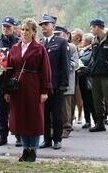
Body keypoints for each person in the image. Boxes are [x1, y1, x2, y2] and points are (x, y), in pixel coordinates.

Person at [4, 18, 51, 162]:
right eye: (23, 29)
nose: (24, 32)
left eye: (27, 30)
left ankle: (33, 150)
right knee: (21, 118)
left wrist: (45, 90)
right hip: (17, 89)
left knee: (34, 118)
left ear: (33, 32)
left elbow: (46, 70)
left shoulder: (39, 48)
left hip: (33, 86)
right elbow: (9, 70)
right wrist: (6, 90)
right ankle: (25, 149)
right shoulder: (14, 48)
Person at [38, 14, 69, 149]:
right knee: (44, 114)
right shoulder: (40, 43)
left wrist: (64, 84)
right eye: (42, 25)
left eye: (46, 24)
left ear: (53, 26)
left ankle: (57, 139)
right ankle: (47, 139)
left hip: (56, 85)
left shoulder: (61, 42)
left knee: (56, 115)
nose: (44, 27)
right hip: (43, 86)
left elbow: (65, 65)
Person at [0, 16, 21, 147]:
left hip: (16, 80)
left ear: (14, 28)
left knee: (17, 110)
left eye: (8, 27)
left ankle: (19, 136)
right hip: (1, 81)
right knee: (1, 111)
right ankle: (1, 136)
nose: (6, 29)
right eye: (4, 26)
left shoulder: (19, 42)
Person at [54, 26, 79, 138]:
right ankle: (54, 128)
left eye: (59, 34)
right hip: (55, 81)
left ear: (66, 34)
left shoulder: (71, 47)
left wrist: (63, 66)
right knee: (54, 107)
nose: (56, 36)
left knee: (65, 107)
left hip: (67, 80)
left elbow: (75, 64)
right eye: (55, 34)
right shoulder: (53, 45)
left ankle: (66, 127)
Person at [77, 33, 97, 129]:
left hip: (89, 78)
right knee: (85, 100)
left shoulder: (92, 51)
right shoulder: (82, 50)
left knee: (91, 100)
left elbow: (91, 62)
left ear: (89, 41)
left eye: (84, 40)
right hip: (82, 78)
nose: (82, 41)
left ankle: (96, 120)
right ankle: (87, 120)